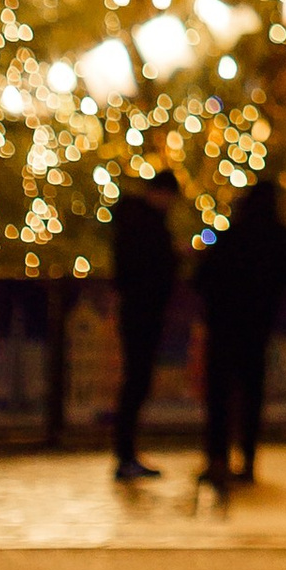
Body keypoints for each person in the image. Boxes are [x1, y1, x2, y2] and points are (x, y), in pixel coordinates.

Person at [194, 174, 286, 489]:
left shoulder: (231, 236)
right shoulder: (283, 239)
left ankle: (218, 458)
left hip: (223, 326)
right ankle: (249, 459)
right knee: (252, 395)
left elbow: (203, 277)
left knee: (219, 395)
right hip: (258, 328)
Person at [107, 164, 179, 485]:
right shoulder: (147, 226)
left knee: (135, 381)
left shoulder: (133, 222)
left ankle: (126, 454)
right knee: (136, 381)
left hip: (137, 310)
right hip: (143, 311)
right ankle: (125, 455)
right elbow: (152, 268)